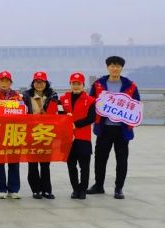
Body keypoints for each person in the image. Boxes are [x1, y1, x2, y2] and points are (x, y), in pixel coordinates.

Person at [88, 56, 140, 199]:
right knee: (100, 158)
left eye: (117, 66)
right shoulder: (99, 84)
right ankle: (99, 185)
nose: (115, 68)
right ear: (107, 67)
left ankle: (119, 188)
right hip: (104, 128)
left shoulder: (130, 86)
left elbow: (136, 105)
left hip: (122, 129)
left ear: (121, 68)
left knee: (122, 159)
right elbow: (91, 102)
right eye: (112, 65)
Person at [23, 72, 59, 199]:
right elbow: (22, 112)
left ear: (46, 83)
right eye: (37, 82)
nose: (39, 84)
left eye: (42, 82)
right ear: (33, 83)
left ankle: (47, 190)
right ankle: (35, 190)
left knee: (45, 163)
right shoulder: (26, 95)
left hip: (45, 132)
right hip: (30, 133)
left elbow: (51, 113)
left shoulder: (53, 95)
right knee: (32, 163)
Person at [60, 72, 96, 200]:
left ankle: (83, 189)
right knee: (71, 165)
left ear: (83, 85)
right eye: (73, 84)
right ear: (70, 84)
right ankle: (75, 188)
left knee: (84, 166)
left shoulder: (90, 100)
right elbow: (57, 113)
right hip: (68, 138)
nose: (76, 86)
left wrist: (76, 124)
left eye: (78, 84)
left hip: (83, 137)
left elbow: (92, 117)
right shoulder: (63, 99)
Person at [0, 71, 22, 199]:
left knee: (14, 161)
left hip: (14, 133)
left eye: (7, 81)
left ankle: (14, 189)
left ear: (11, 83)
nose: (4, 83)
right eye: (2, 80)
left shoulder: (17, 96)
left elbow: (23, 111)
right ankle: (0, 188)